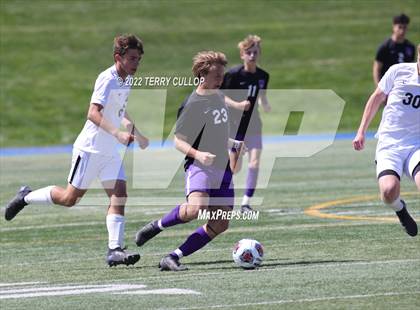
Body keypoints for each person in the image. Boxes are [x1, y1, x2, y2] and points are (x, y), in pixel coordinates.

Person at [4, 34, 150, 265]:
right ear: (117, 57)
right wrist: (118, 134)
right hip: (90, 149)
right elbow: (93, 113)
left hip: (110, 151)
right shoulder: (107, 79)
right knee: (69, 198)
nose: (136, 64)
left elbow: (120, 111)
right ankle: (26, 197)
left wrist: (136, 132)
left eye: (139, 59)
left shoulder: (126, 79)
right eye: (132, 59)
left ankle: (114, 250)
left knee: (119, 195)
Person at [134, 51, 243, 271]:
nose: (220, 80)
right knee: (195, 210)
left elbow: (216, 133)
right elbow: (178, 141)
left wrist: (234, 144)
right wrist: (199, 154)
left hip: (222, 169)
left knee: (220, 223)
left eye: (221, 75)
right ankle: (158, 225)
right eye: (216, 76)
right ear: (202, 76)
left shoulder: (219, 97)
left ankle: (172, 257)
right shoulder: (192, 104)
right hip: (200, 166)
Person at [353, 43, 420, 237]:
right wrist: (361, 132)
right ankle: (400, 209)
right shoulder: (398, 71)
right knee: (389, 191)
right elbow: (376, 98)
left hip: (416, 144)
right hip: (390, 143)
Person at [221, 35, 271, 213]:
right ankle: (219, 194)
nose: (252, 55)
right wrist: (237, 105)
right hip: (235, 125)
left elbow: (262, 96)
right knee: (235, 166)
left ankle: (246, 203)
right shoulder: (233, 75)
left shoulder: (263, 76)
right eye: (248, 52)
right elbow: (220, 96)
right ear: (242, 55)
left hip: (254, 124)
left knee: (255, 162)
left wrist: (265, 104)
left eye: (255, 52)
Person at [373, 13, 415, 86]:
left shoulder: (410, 47)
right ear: (394, 27)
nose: (402, 31)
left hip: (403, 86)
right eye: (399, 27)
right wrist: (379, 87)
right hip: (388, 86)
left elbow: (412, 69)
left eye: (404, 27)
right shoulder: (385, 47)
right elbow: (377, 69)